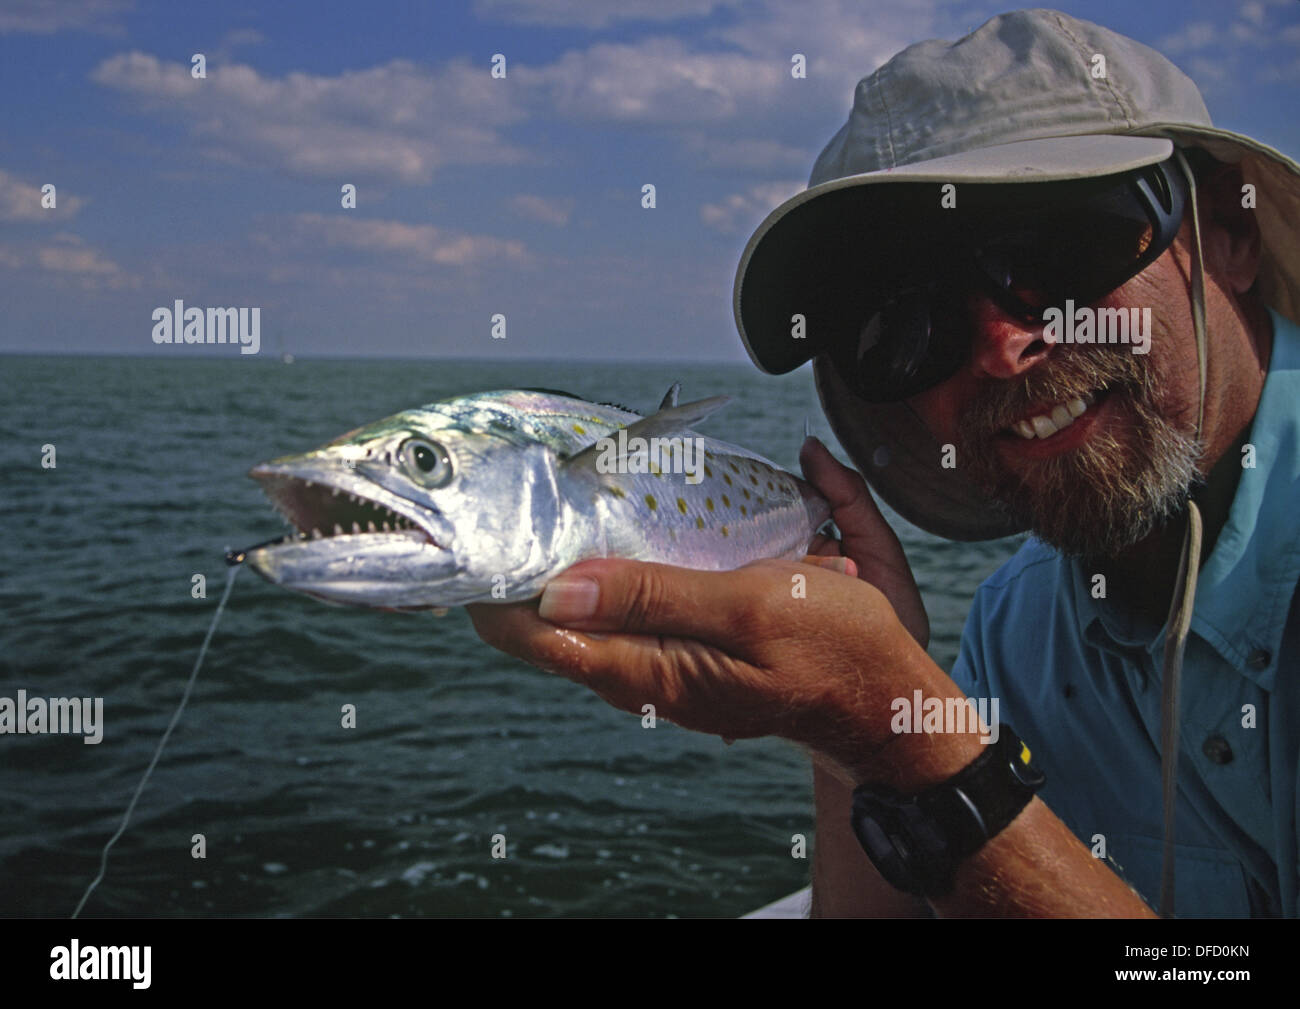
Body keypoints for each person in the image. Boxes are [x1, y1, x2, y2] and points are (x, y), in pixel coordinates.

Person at [468, 9, 1300, 917]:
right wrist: (857, 728)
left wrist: (907, 738)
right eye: (905, 324)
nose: (998, 343)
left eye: (1062, 247)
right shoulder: (1014, 631)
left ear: (1231, 231)